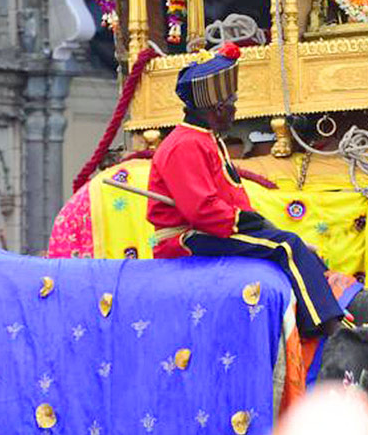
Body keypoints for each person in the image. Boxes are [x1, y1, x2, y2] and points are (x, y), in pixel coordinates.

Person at [147, 42, 344, 336]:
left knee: (300, 246)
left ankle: (333, 312)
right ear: (218, 108)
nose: (236, 110)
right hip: (189, 239)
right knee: (285, 246)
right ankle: (327, 328)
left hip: (214, 230)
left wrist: (255, 222)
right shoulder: (184, 144)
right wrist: (248, 222)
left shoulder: (207, 139)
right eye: (233, 102)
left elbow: (229, 201)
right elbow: (202, 211)